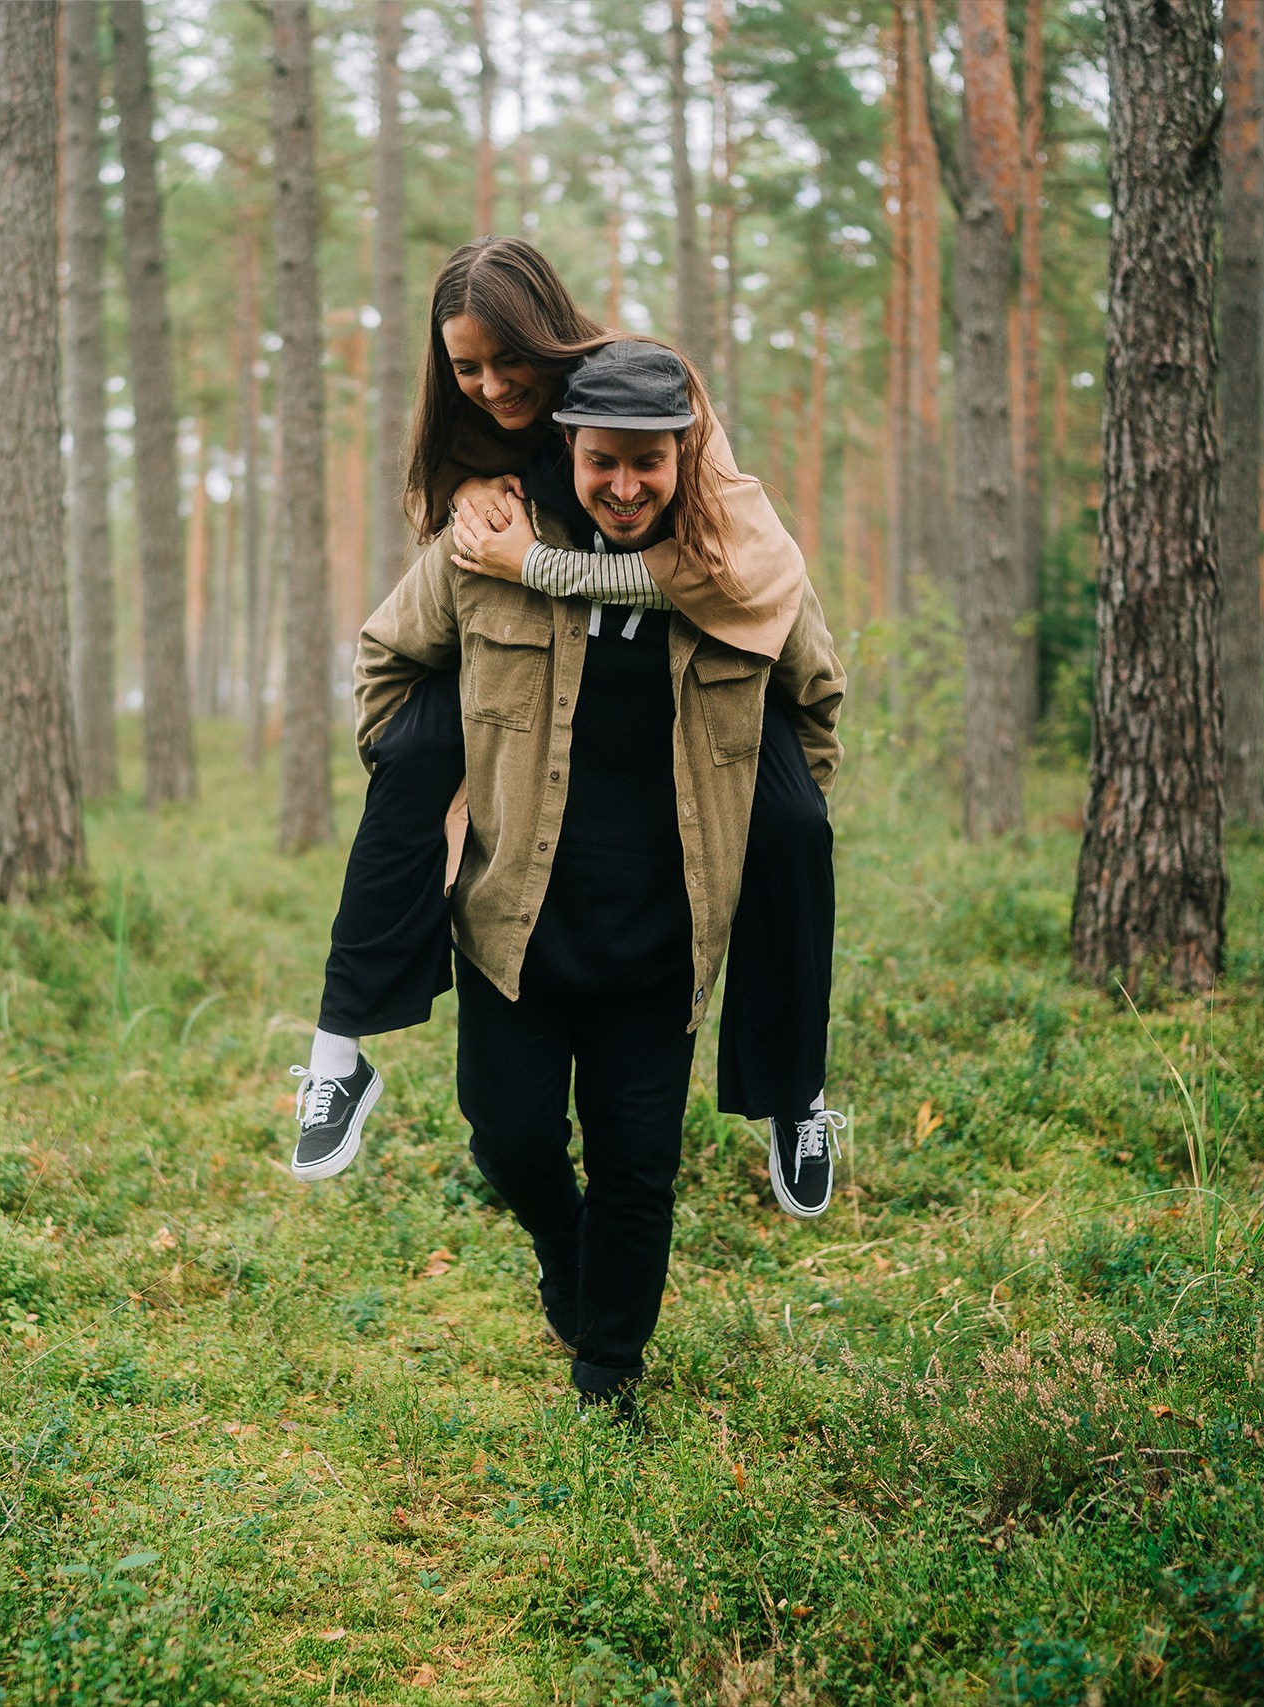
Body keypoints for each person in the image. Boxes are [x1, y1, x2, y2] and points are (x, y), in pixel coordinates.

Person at [288, 238, 847, 1221]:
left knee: (793, 824)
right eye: (467, 367)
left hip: (705, 660)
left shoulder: (650, 389)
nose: (492, 386)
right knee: (411, 755)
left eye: (510, 359)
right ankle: (339, 1049)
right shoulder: (476, 422)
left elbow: (749, 567)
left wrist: (537, 568)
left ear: (548, 336)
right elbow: (431, 529)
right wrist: (467, 499)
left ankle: (794, 1092)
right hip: (508, 678)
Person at [350, 340, 845, 1407]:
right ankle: (564, 1252)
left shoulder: (745, 569)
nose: (625, 486)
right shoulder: (492, 542)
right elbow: (388, 657)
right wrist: (424, 779)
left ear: (682, 457)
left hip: (663, 941)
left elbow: (814, 698)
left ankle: (608, 1371)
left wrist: (767, 827)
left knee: (637, 1166)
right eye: (602, 462)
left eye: (648, 463)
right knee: (509, 1139)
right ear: (569, 451)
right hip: (512, 925)